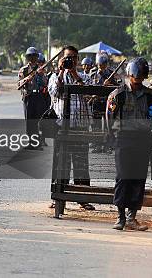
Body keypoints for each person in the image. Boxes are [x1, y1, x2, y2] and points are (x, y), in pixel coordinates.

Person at [106, 57, 152, 231]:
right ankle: (120, 216)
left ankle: (131, 217)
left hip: (142, 139)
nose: (138, 82)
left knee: (138, 179)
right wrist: (111, 138)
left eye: (141, 78)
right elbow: (109, 118)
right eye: (136, 78)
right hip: (123, 139)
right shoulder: (118, 94)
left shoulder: (150, 96)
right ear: (129, 75)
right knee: (123, 177)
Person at [48, 45, 95, 211]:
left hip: (80, 127)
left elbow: (90, 95)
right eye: (68, 57)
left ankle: (83, 198)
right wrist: (61, 72)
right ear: (62, 58)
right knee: (61, 164)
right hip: (62, 128)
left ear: (78, 60)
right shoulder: (55, 76)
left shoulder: (85, 77)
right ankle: (58, 197)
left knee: (81, 164)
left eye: (74, 58)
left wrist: (75, 75)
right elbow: (54, 92)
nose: (71, 60)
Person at [18, 47, 48, 150]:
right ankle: (31, 142)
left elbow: (45, 83)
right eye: (30, 56)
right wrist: (27, 78)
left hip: (39, 96)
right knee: (29, 120)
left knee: (38, 120)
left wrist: (41, 74)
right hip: (28, 96)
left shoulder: (41, 69)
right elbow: (19, 84)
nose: (32, 58)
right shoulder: (24, 70)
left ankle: (38, 142)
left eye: (34, 56)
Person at [87, 53, 117, 153]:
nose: (101, 66)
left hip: (108, 102)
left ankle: (108, 146)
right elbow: (89, 85)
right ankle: (98, 145)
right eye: (99, 64)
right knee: (96, 125)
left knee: (109, 125)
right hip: (96, 101)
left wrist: (110, 84)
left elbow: (117, 87)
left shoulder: (111, 73)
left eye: (103, 64)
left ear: (106, 64)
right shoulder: (92, 73)